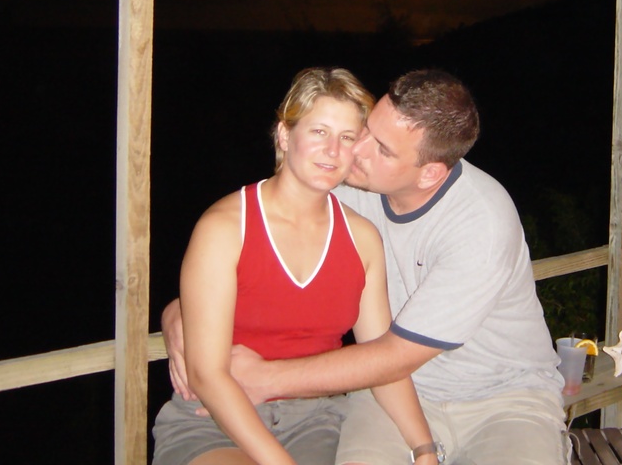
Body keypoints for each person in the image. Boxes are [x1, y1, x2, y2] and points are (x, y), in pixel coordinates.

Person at [165, 69, 566, 465]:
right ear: (284, 135)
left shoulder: (477, 223)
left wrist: (423, 448)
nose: (353, 150)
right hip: (306, 402)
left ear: (429, 173)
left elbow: (391, 355)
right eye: (365, 131)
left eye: (372, 145)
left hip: (499, 396)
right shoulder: (340, 186)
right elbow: (255, 247)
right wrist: (180, 311)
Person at [152, 68, 440, 465]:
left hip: (316, 421)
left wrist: (424, 449)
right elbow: (207, 375)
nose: (332, 150)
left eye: (347, 137)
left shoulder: (362, 239)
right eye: (319, 131)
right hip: (215, 418)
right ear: (285, 135)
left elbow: (381, 360)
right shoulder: (225, 227)